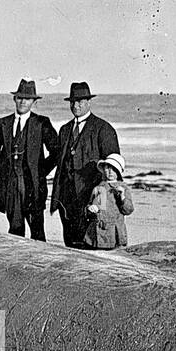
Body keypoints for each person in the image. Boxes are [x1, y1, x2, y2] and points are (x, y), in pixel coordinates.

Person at [0, 79, 59, 240]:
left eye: (27, 99)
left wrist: (40, 170)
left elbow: (57, 152)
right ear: (14, 99)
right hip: (10, 185)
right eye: (19, 97)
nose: (22, 101)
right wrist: (2, 166)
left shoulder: (42, 123)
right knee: (15, 230)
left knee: (37, 231)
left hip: (33, 185)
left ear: (34, 102)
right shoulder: (2, 123)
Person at [52, 82, 121, 247]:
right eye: (72, 102)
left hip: (92, 199)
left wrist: (107, 201)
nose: (76, 105)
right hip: (66, 200)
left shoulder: (103, 128)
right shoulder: (64, 130)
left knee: (91, 246)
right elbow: (58, 162)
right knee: (70, 245)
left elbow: (114, 167)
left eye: (80, 101)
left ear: (89, 102)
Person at [79, 153, 133, 249]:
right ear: (103, 169)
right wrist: (90, 209)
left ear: (118, 172)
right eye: (107, 168)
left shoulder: (123, 188)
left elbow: (128, 210)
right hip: (96, 234)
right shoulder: (98, 187)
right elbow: (90, 207)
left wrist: (122, 196)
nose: (110, 172)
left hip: (114, 234)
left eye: (113, 169)